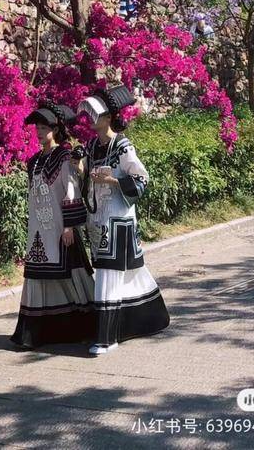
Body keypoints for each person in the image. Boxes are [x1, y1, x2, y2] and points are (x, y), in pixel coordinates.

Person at [76, 85, 170, 356]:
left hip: (118, 221)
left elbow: (142, 178)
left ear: (108, 117)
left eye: (96, 115)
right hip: (98, 219)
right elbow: (86, 179)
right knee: (118, 275)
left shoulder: (123, 146)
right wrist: (80, 169)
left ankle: (107, 337)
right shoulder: (92, 145)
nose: (91, 121)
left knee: (109, 275)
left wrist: (114, 180)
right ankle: (147, 319)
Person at [10, 102, 95, 349]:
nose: (38, 131)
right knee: (38, 273)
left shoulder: (64, 156)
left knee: (72, 274)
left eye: (44, 127)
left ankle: (85, 325)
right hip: (39, 227)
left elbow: (71, 189)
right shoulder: (34, 161)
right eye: (37, 126)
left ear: (55, 129)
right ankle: (36, 333)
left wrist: (69, 225)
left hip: (60, 226)